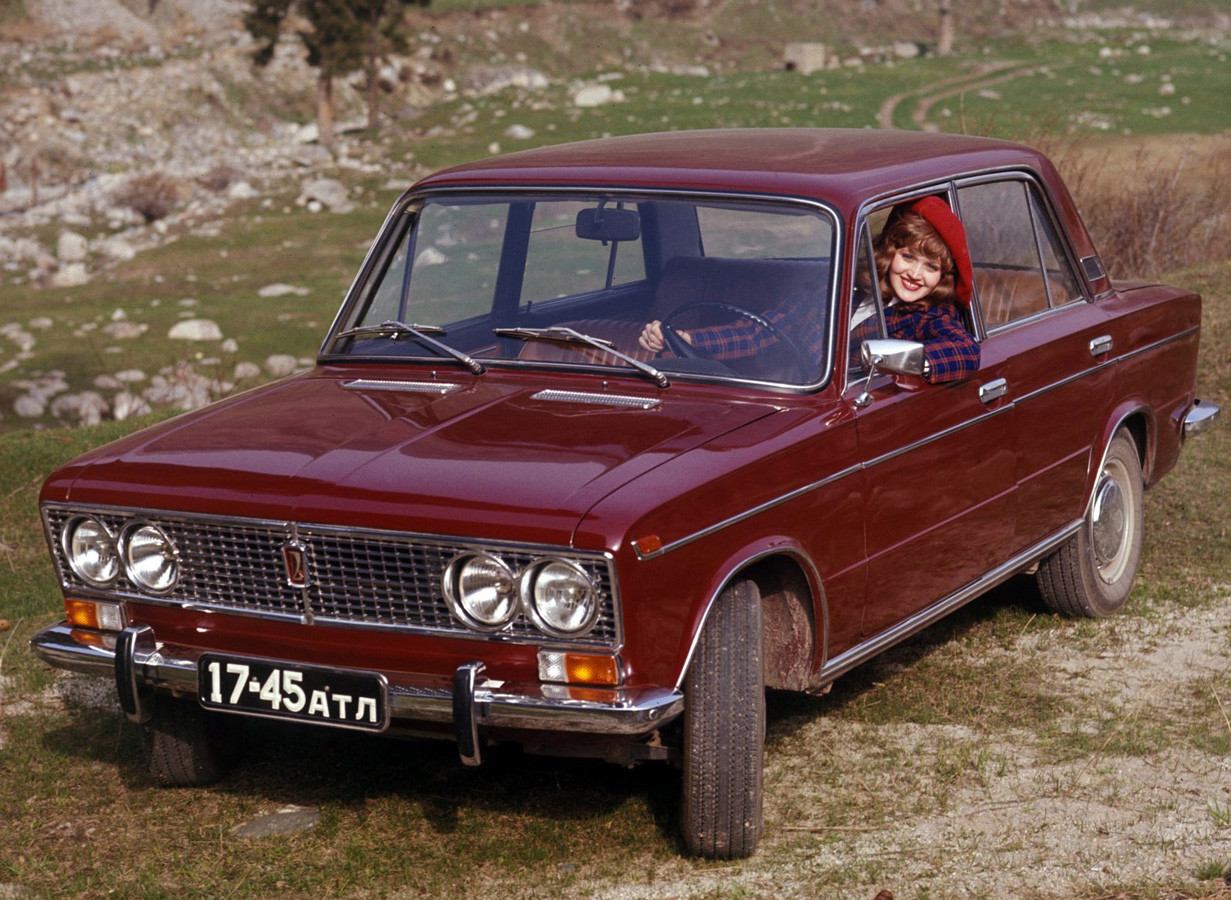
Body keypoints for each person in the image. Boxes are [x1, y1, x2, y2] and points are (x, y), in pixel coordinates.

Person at [638, 195, 980, 384]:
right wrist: (690, 339)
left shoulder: (928, 316)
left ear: (944, 277)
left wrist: (907, 359)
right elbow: (762, 331)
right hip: (798, 399)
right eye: (908, 257)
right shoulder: (833, 294)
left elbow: (965, 351)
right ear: (889, 254)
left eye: (931, 267)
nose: (916, 274)